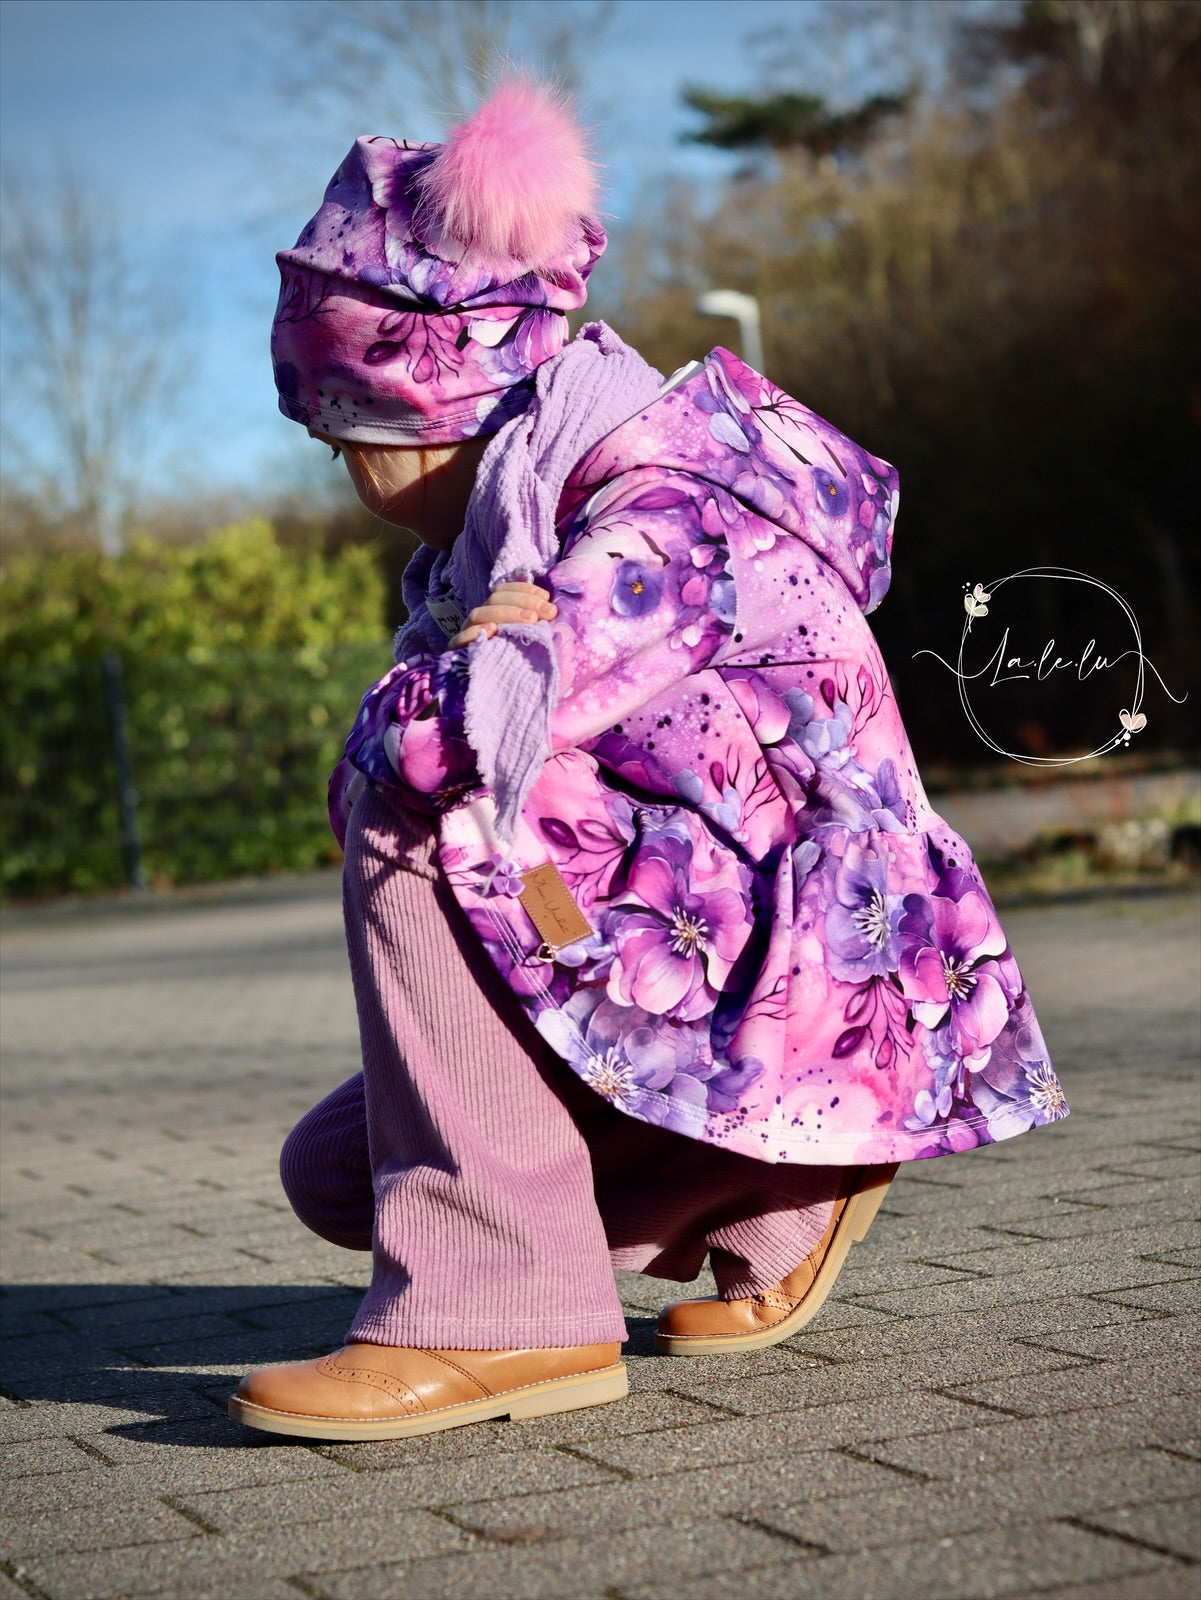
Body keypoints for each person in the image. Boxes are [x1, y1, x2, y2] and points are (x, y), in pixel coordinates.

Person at [230, 80, 1068, 1443]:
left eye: (344, 434)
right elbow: (473, 688)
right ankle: (769, 1175)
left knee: (421, 799)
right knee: (338, 1174)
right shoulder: (505, 537)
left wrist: (451, 697)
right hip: (745, 958)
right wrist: (470, 664)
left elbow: (436, 736)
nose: (337, 462)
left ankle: (500, 1306)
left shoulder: (658, 505)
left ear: (438, 404)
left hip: (817, 959)